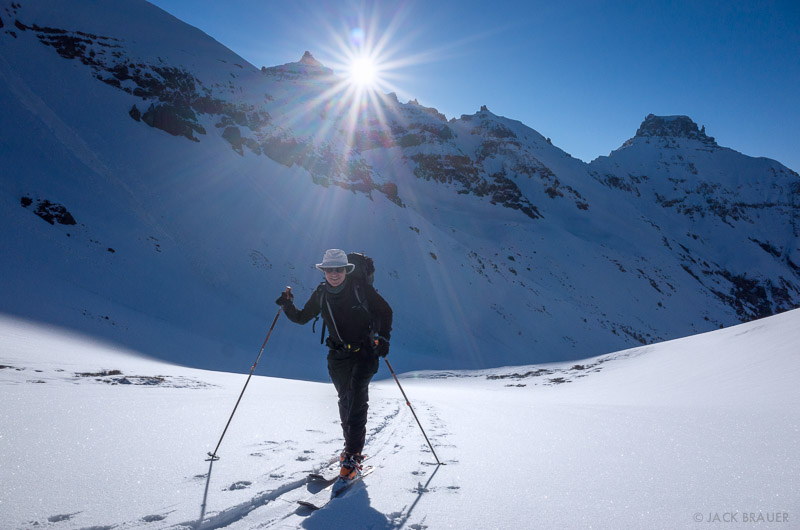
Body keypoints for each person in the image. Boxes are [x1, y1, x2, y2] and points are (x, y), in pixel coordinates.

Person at [276, 249, 392, 481]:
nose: (334, 274)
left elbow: (385, 311)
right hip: (337, 357)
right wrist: (288, 305)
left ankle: (352, 456)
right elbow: (302, 317)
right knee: (345, 402)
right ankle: (350, 448)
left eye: (338, 269)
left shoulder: (361, 289)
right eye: (329, 270)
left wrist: (384, 338)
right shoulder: (322, 294)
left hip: (365, 354)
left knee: (357, 402)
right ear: (324, 271)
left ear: (346, 270)